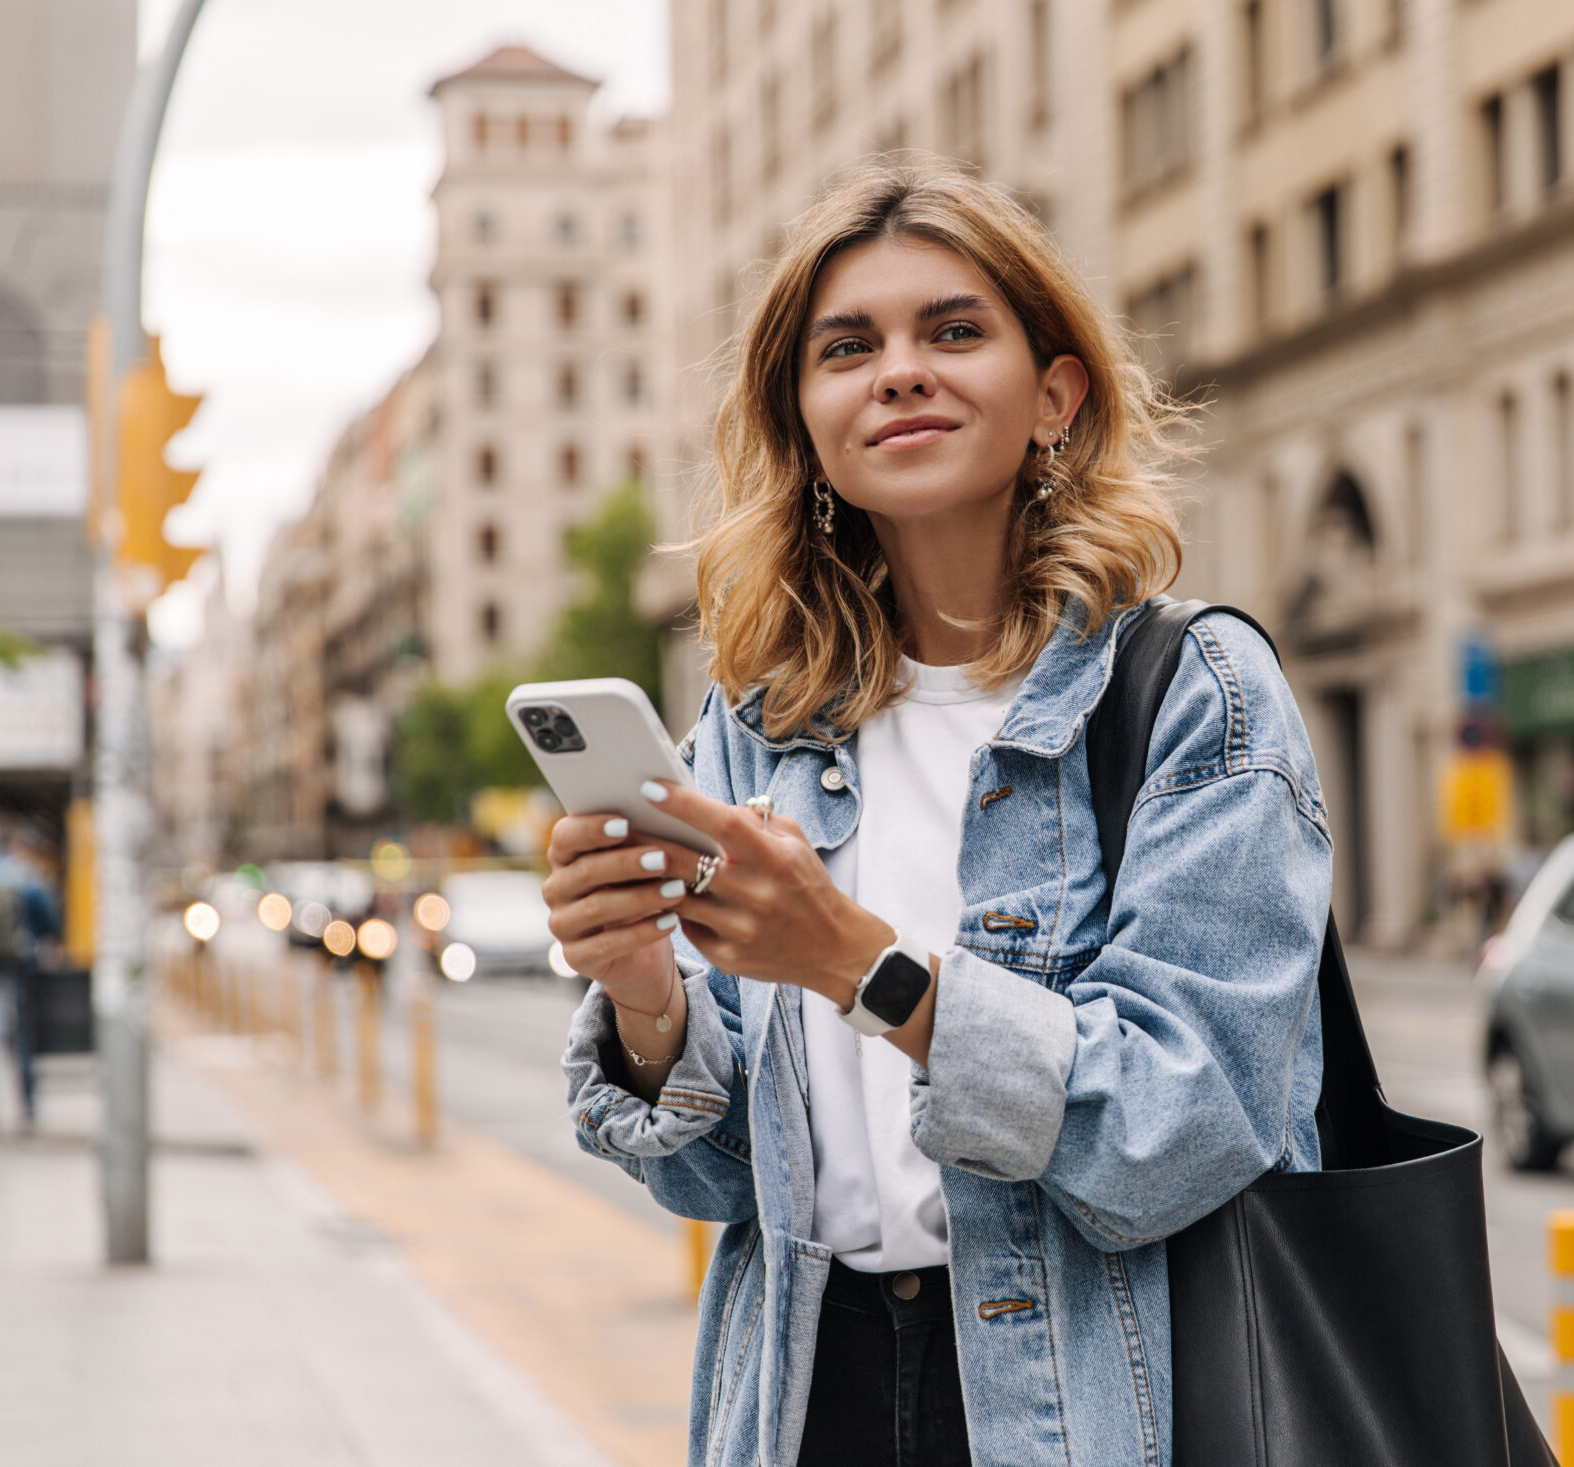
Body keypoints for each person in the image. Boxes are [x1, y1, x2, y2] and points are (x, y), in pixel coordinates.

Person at [547, 161, 1331, 1467]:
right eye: (848, 348)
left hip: (1097, 1393)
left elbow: (1182, 1125)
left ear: (1056, 397)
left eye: (955, 331)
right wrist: (644, 996)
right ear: (804, 422)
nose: (900, 371)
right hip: (807, 1389)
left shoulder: (1195, 691)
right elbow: (718, 1183)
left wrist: (861, 964)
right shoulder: (760, 723)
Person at [0, 824, 58, 1130]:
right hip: (17, 966)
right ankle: (29, 1107)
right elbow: (48, 919)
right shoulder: (24, 876)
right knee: (21, 1037)